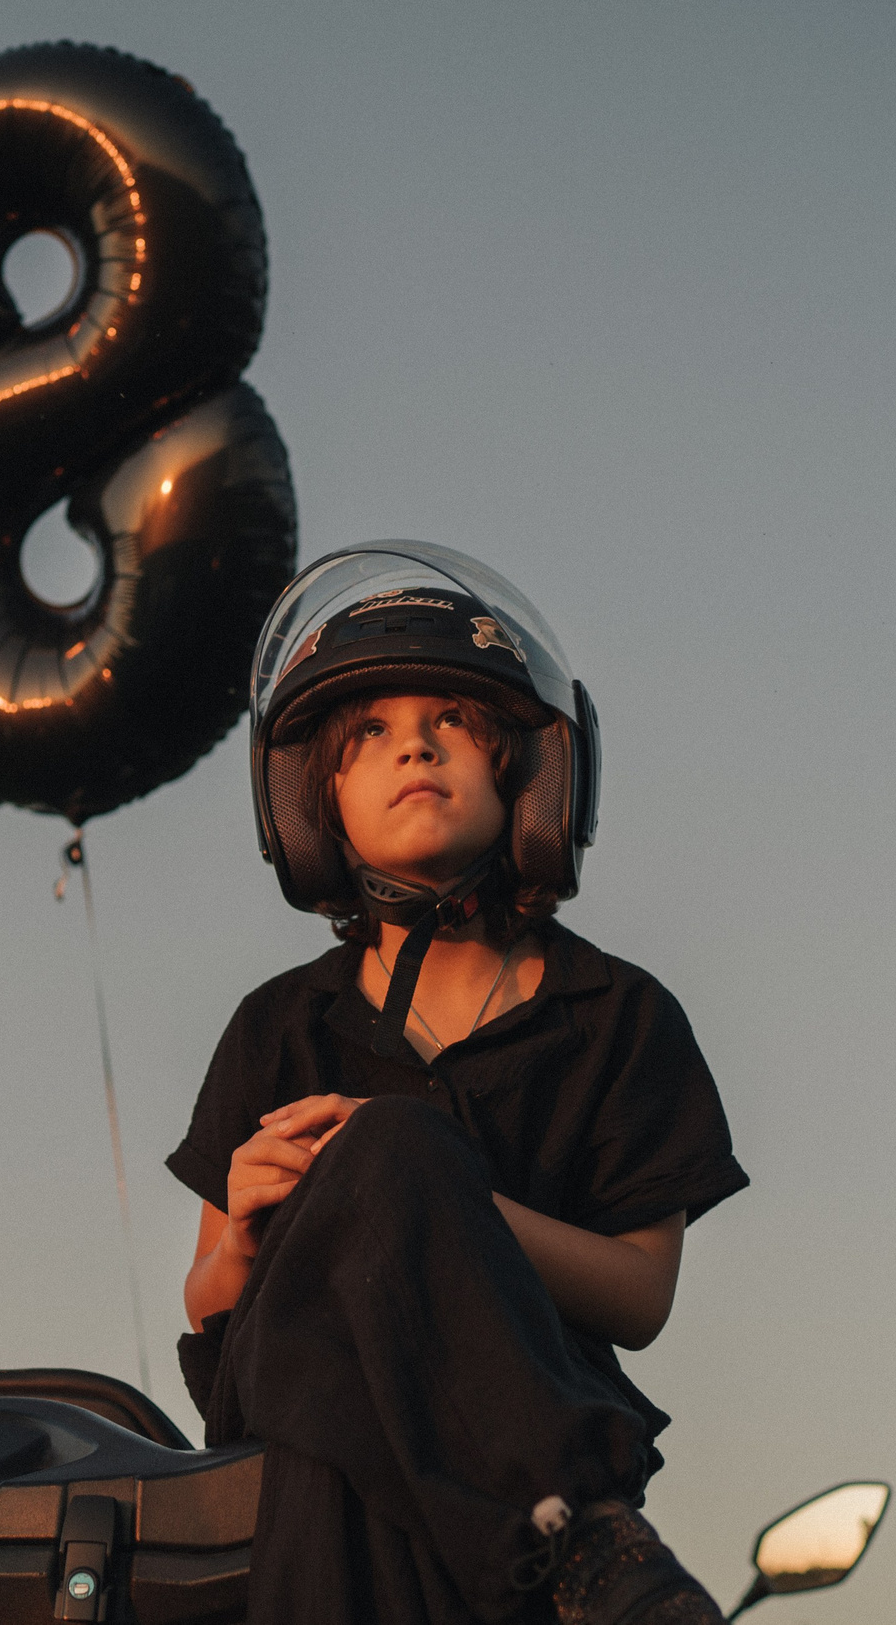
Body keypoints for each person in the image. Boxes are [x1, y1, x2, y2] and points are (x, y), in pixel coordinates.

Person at [167, 542, 748, 1625]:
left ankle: (554, 1523)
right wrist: (244, 1231)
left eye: (452, 723)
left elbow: (641, 1295)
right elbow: (205, 1301)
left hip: (493, 1488)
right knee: (389, 1149)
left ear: (525, 777)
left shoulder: (615, 1015)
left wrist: (432, 1211)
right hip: (305, 1464)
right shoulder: (277, 1027)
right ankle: (577, 1534)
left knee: (389, 1147)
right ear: (314, 800)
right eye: (370, 734)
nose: (415, 747)